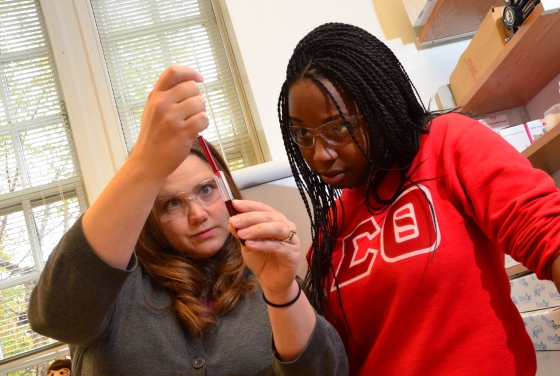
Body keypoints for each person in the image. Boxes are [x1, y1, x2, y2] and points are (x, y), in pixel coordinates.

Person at [259, 22, 560, 375]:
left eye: (338, 127)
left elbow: (545, 231)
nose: (319, 153)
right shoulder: (328, 231)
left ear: (377, 105)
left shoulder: (445, 144)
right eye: (303, 135)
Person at [28, 66, 348, 375]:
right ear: (150, 218)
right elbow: (56, 317)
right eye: (171, 204)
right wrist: (146, 161)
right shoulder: (114, 289)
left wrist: (282, 293)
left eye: (206, 190)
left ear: (227, 190)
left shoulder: (267, 273)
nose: (197, 214)